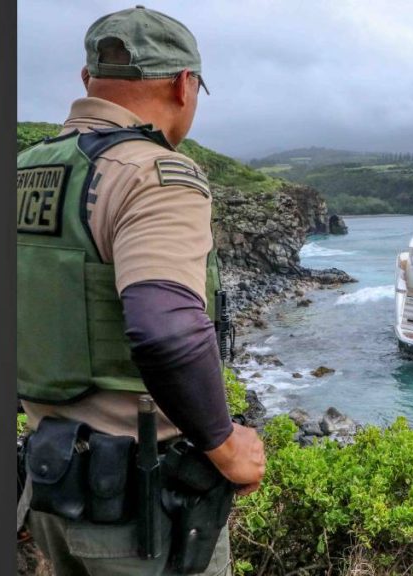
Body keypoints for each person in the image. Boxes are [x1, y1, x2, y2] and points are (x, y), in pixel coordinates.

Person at [17, 6, 265, 575]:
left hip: (52, 488)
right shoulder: (155, 175)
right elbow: (164, 328)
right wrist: (226, 448)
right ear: (184, 84)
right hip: (142, 514)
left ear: (87, 81)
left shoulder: (25, 171)